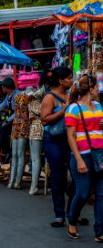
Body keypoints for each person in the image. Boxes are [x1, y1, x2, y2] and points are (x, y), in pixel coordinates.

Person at [65, 74, 102, 241]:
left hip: (100, 155)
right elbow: (71, 136)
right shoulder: (73, 108)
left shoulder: (99, 106)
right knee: (83, 193)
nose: (99, 90)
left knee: (101, 195)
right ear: (91, 88)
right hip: (83, 156)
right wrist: (79, 159)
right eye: (97, 87)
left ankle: (99, 231)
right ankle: (72, 220)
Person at [41, 66, 79, 228]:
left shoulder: (71, 95)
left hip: (70, 139)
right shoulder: (49, 98)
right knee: (58, 178)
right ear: (60, 80)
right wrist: (63, 110)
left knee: (78, 176)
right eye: (69, 78)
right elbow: (44, 119)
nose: (71, 80)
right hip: (53, 141)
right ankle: (59, 215)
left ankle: (72, 212)